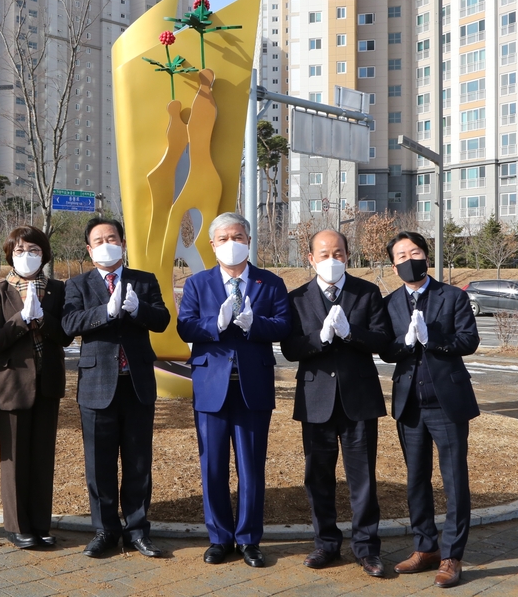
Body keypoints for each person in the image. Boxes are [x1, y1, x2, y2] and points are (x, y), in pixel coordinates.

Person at [176, 212, 291, 568]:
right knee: (213, 466)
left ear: (249, 241)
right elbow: (186, 326)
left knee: (251, 467)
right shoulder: (197, 284)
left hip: (252, 386)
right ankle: (219, 538)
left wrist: (255, 324)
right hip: (211, 386)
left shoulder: (270, 283)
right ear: (212, 245)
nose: (231, 244)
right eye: (224, 239)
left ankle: (248, 539)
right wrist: (217, 323)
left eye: (238, 237)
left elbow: (284, 325)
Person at [280, 229, 390, 576]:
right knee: (318, 477)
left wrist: (350, 333)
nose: (332, 260)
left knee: (363, 479)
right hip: (316, 399)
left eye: (338, 253)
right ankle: (325, 543)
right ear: (311, 259)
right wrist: (321, 337)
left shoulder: (367, 292)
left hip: (359, 398)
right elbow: (290, 349)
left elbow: (382, 340)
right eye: (324, 254)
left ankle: (367, 548)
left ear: (348, 256)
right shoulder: (297, 298)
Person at [62, 217, 171, 559]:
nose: (106, 244)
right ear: (89, 249)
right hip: (97, 384)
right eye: (99, 240)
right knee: (99, 463)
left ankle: (137, 529)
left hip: (136, 383)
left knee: (138, 462)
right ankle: (105, 530)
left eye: (112, 238)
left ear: (123, 244)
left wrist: (139, 310)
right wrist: (104, 313)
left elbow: (162, 319)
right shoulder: (77, 284)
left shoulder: (144, 280)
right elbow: (68, 324)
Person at [380, 231, 480, 588]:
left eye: (415, 253)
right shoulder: (390, 303)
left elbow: (469, 340)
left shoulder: (452, 296)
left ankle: (452, 555)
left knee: (454, 480)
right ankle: (425, 547)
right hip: (409, 404)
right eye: (401, 256)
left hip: (446, 403)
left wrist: (431, 340)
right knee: (416, 480)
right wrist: (405, 344)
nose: (409, 260)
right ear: (394, 266)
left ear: (426, 256)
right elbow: (386, 350)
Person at [0, 226, 72, 550]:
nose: (26, 256)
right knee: (15, 460)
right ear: (10, 255)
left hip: (48, 381)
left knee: (42, 457)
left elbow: (66, 335)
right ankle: (17, 526)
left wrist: (43, 319)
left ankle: (40, 524)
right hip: (12, 384)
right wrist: (22, 319)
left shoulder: (58, 289)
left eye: (33, 250)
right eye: (19, 250)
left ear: (44, 254)